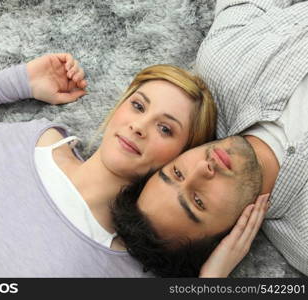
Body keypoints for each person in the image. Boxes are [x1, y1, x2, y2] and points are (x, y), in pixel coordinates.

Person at [0, 53, 217, 277]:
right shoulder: (37, 141)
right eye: (138, 105)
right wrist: (23, 80)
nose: (139, 126)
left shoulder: (121, 264)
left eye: (165, 128)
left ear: (181, 157)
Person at [113, 0, 308, 277]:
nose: (203, 170)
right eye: (198, 202)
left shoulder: (223, 62)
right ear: (227, 239)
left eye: (178, 172)